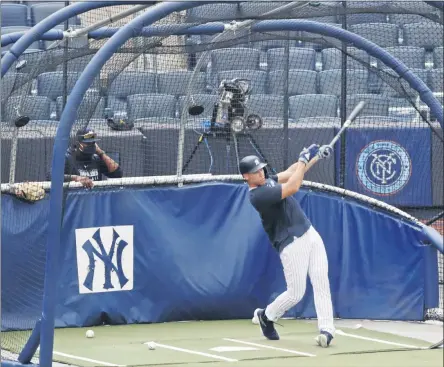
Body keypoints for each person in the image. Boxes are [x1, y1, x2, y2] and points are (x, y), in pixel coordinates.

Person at [239, 144, 335, 348]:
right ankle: (267, 316)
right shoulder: (257, 196)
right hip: (291, 242)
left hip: (309, 232)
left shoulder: (268, 180)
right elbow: (293, 186)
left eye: (262, 168)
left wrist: (315, 157)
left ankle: (327, 330)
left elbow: (293, 172)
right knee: (296, 293)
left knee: (321, 281)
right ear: (247, 177)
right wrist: (302, 159)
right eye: (256, 171)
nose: (261, 172)